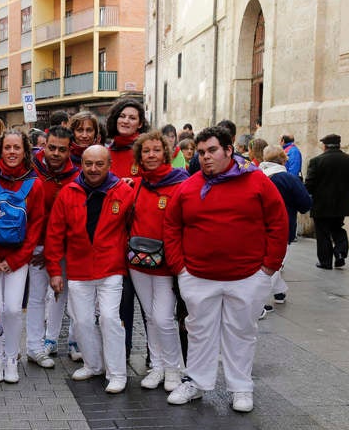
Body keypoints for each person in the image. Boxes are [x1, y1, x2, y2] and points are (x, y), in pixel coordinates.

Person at [164, 126, 287, 412]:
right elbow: (172, 225)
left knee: (241, 331)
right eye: (202, 152)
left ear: (229, 150)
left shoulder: (256, 181)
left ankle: (241, 387)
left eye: (212, 151)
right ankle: (196, 381)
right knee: (198, 330)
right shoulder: (188, 186)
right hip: (197, 275)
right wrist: (180, 268)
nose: (206, 157)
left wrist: (268, 268)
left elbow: (278, 223)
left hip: (247, 276)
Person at [45, 145, 134, 393]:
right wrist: (54, 270)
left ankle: (117, 373)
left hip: (111, 268)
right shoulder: (68, 193)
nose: (93, 169)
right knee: (81, 320)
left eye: (99, 164)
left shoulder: (124, 192)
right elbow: (54, 234)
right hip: (78, 270)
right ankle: (93, 364)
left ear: (109, 165)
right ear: (81, 164)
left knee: (109, 319)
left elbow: (132, 227)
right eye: (88, 164)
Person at [0, 129, 44, 384]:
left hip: (17, 259)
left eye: (17, 147)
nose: (12, 152)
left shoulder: (35, 184)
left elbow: (35, 226)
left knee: (14, 309)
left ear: (26, 151)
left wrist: (15, 260)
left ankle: (12, 358)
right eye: (7, 148)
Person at [128, 131, 189, 392]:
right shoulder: (137, 183)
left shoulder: (181, 182)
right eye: (146, 151)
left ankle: (174, 369)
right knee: (150, 317)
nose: (151, 155)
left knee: (164, 318)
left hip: (166, 263)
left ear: (165, 152)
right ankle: (157, 366)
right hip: (138, 262)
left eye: (156, 150)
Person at [26, 126, 79, 369]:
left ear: (70, 151)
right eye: (52, 147)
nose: (56, 153)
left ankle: (52, 340)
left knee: (60, 294)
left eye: (62, 149)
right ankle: (34, 347)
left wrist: (54, 251)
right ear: (44, 145)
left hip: (63, 247)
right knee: (37, 298)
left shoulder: (76, 175)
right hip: (35, 246)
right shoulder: (29, 168)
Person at [105, 99, 149, 358]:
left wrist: (135, 183)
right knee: (122, 301)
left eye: (132, 117)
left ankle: (156, 357)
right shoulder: (106, 151)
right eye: (122, 116)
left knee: (150, 305)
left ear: (140, 122)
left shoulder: (147, 150)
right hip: (114, 236)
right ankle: (121, 353)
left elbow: (160, 178)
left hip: (144, 235)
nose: (126, 121)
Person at [259, 145, 313, 304]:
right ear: (283, 159)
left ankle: (279, 292)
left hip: (259, 226)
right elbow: (305, 204)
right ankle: (259, 301)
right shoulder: (289, 179)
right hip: (283, 227)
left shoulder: (257, 176)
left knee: (268, 260)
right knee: (276, 261)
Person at [305, 134, 349, 269]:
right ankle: (340, 252)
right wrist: (346, 195)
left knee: (323, 232)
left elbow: (309, 184)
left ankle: (325, 262)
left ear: (324, 146)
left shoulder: (316, 161)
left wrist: (312, 196)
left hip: (321, 204)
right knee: (338, 228)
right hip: (341, 204)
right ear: (339, 144)